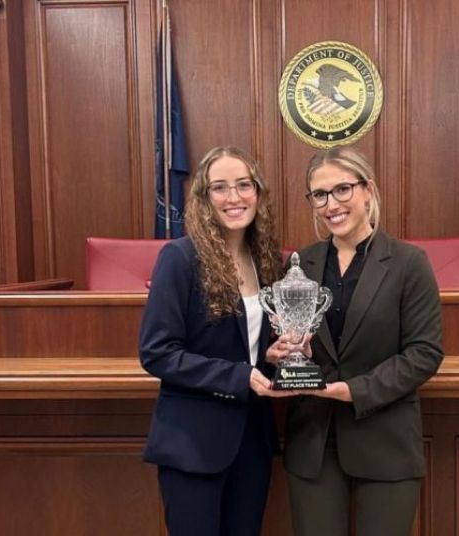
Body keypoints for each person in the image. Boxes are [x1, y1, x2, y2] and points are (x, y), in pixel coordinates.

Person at [269, 146, 444, 536]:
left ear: (368, 190)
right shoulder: (300, 264)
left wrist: (355, 391)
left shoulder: (408, 263)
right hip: (314, 443)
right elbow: (287, 339)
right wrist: (282, 353)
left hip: (385, 439)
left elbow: (425, 352)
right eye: (319, 194)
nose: (331, 203)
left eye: (342, 189)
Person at [139, 146, 289, 536]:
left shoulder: (268, 260)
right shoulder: (180, 258)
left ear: (259, 192)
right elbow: (157, 352)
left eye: (243, 185)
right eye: (219, 188)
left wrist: (270, 359)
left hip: (252, 440)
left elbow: (251, 350)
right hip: (193, 441)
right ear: (204, 199)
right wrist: (238, 377)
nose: (234, 197)